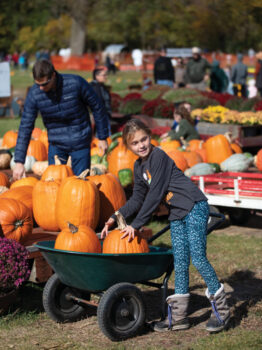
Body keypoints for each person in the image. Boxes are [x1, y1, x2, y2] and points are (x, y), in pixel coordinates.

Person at [101, 119, 230, 333]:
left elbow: (156, 193)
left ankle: (222, 311)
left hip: (194, 206)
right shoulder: (138, 166)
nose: (141, 145)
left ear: (149, 136)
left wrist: (137, 224)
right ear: (128, 146)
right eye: (135, 143)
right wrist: (116, 216)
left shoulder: (158, 156)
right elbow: (138, 198)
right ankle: (179, 317)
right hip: (177, 212)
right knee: (179, 260)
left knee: (197, 256)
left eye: (144, 139)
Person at [13, 59, 109, 180]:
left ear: (53, 75)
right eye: (38, 84)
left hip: (80, 140)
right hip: (56, 144)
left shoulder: (75, 83)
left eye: (44, 84)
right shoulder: (34, 94)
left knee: (81, 184)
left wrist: (102, 136)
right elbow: (25, 126)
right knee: (55, 185)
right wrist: (19, 161)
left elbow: (97, 107)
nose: (41, 88)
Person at [90, 66, 111, 134]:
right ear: (97, 76)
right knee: (103, 136)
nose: (106, 77)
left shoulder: (101, 86)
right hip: (100, 116)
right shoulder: (94, 87)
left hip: (104, 115)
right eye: (104, 75)